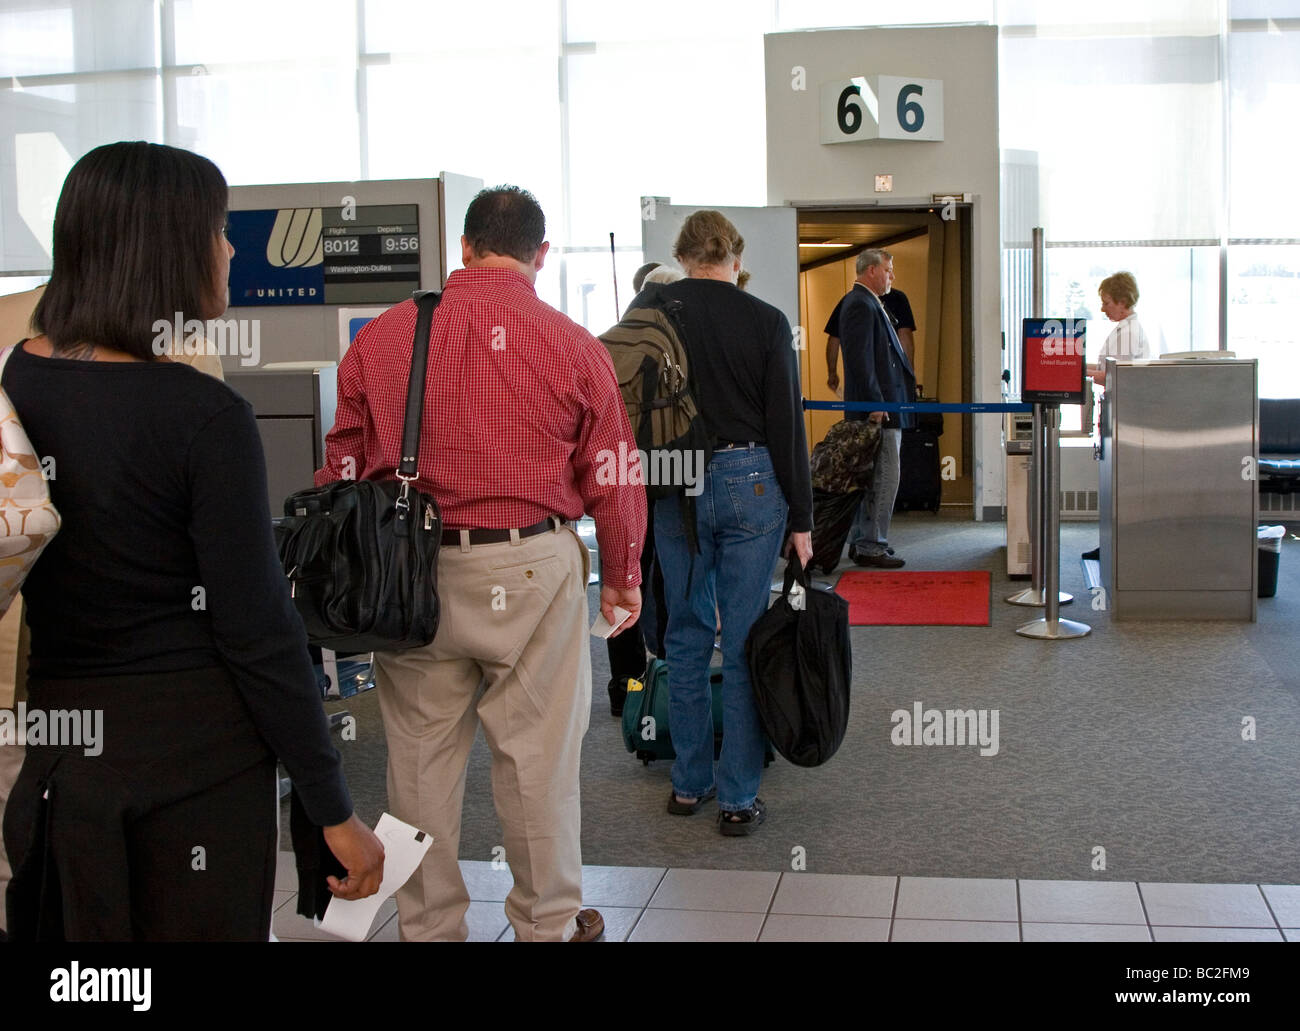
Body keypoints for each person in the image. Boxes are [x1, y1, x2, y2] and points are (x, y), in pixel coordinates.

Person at [0, 141, 383, 942]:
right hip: (199, 772)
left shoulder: (20, 380)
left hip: (68, 761)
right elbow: (257, 629)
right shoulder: (202, 416)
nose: (231, 249)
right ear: (166, 248)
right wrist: (331, 804)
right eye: (217, 228)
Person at [318, 185, 645, 942]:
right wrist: (623, 574)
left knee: (418, 770)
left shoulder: (386, 338)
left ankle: (429, 927)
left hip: (412, 577)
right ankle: (547, 923)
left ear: (462, 248)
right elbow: (616, 473)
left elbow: (342, 464)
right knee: (537, 765)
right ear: (541, 255)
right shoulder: (572, 343)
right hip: (533, 566)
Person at [653, 210, 813, 835]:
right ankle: (739, 797)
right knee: (746, 638)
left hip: (675, 482)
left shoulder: (656, 319)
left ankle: (690, 783)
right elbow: (786, 427)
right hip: (751, 480)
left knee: (687, 634)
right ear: (736, 259)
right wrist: (801, 516)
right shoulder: (767, 321)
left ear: (683, 256)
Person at [606, 262, 683, 717]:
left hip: (619, 481)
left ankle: (627, 685)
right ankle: (670, 677)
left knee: (622, 578)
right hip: (669, 477)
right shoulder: (677, 346)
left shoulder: (607, 343)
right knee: (667, 579)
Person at [839, 249, 916, 569]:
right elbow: (860, 360)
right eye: (888, 270)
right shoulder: (860, 303)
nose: (891, 276)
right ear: (871, 270)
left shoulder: (869, 302)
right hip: (879, 408)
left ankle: (866, 541)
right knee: (885, 477)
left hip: (883, 404)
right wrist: (875, 403)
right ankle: (871, 544)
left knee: (875, 477)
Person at [826, 282, 916, 393]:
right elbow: (905, 337)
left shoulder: (848, 301)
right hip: (891, 380)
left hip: (857, 380)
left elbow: (833, 340)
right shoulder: (898, 299)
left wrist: (832, 373)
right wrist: (909, 375)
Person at [1087, 271, 1151, 388]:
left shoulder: (1129, 333)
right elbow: (1104, 368)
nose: (1102, 309)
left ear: (1122, 302)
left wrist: (1079, 373)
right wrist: (1077, 367)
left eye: (1106, 303)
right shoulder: (1126, 328)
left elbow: (1115, 377)